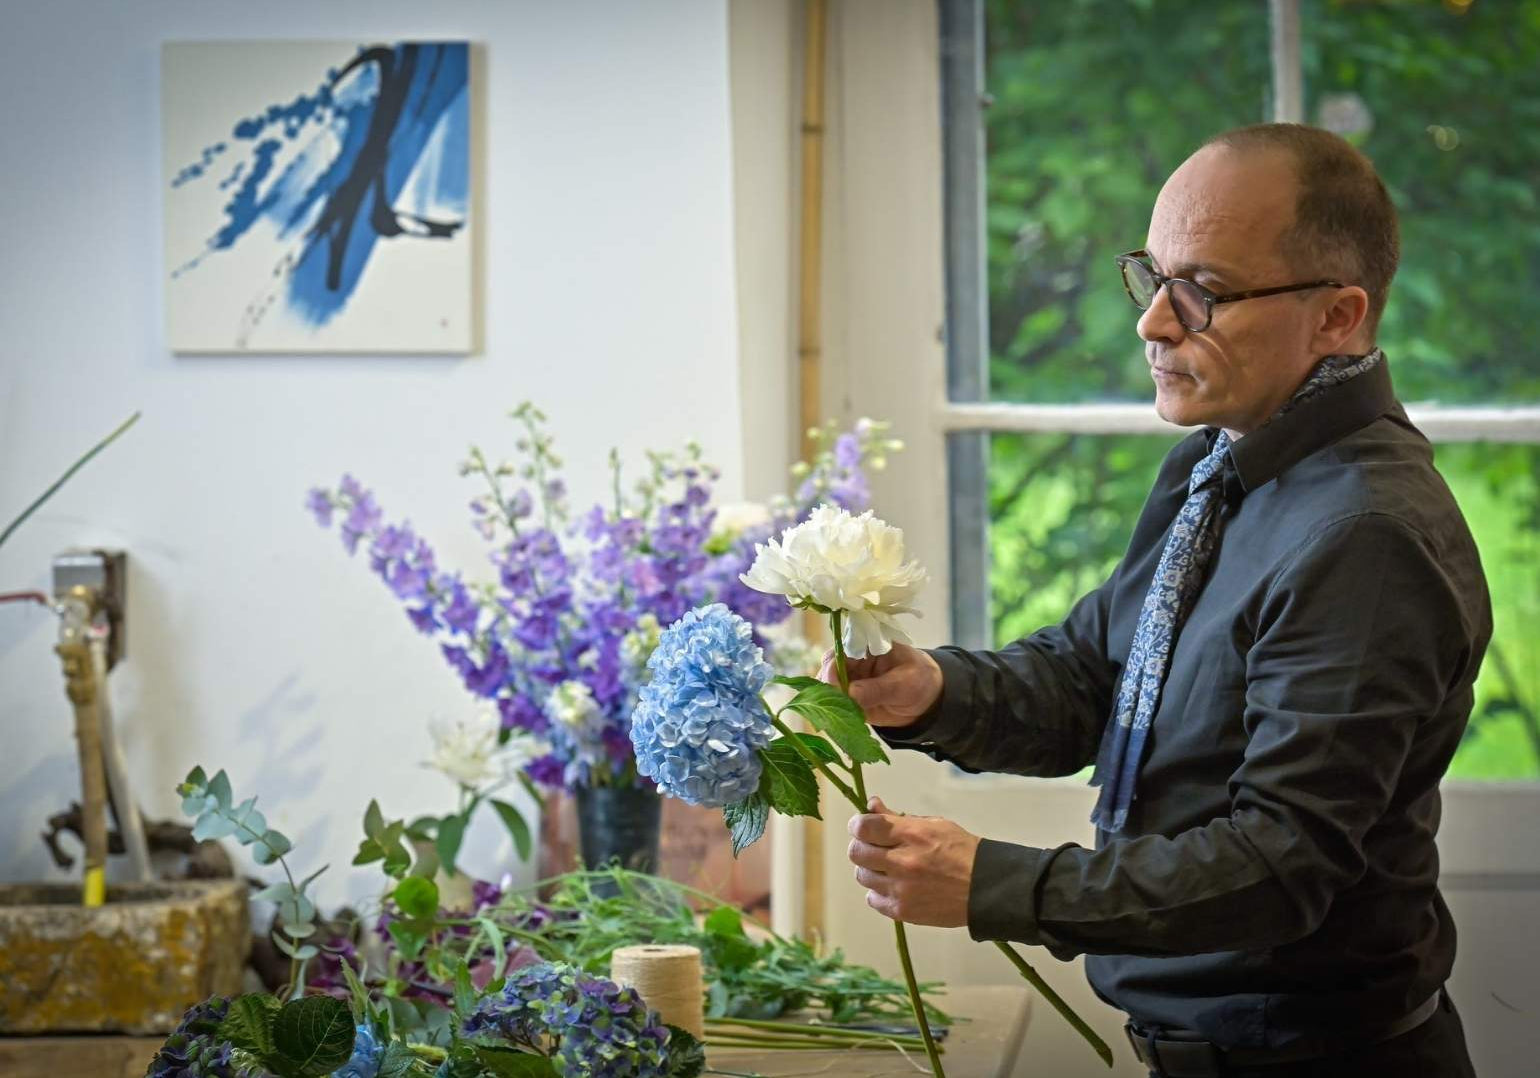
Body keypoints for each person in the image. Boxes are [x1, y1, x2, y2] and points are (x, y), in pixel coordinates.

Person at [833, 124, 1489, 1078]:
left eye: (1206, 293)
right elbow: (1097, 678)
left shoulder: (1367, 537)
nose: (1152, 323)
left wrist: (994, 882)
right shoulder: (1216, 463)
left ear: (1338, 317)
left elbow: (1280, 865)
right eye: (1152, 278)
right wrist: (929, 692)